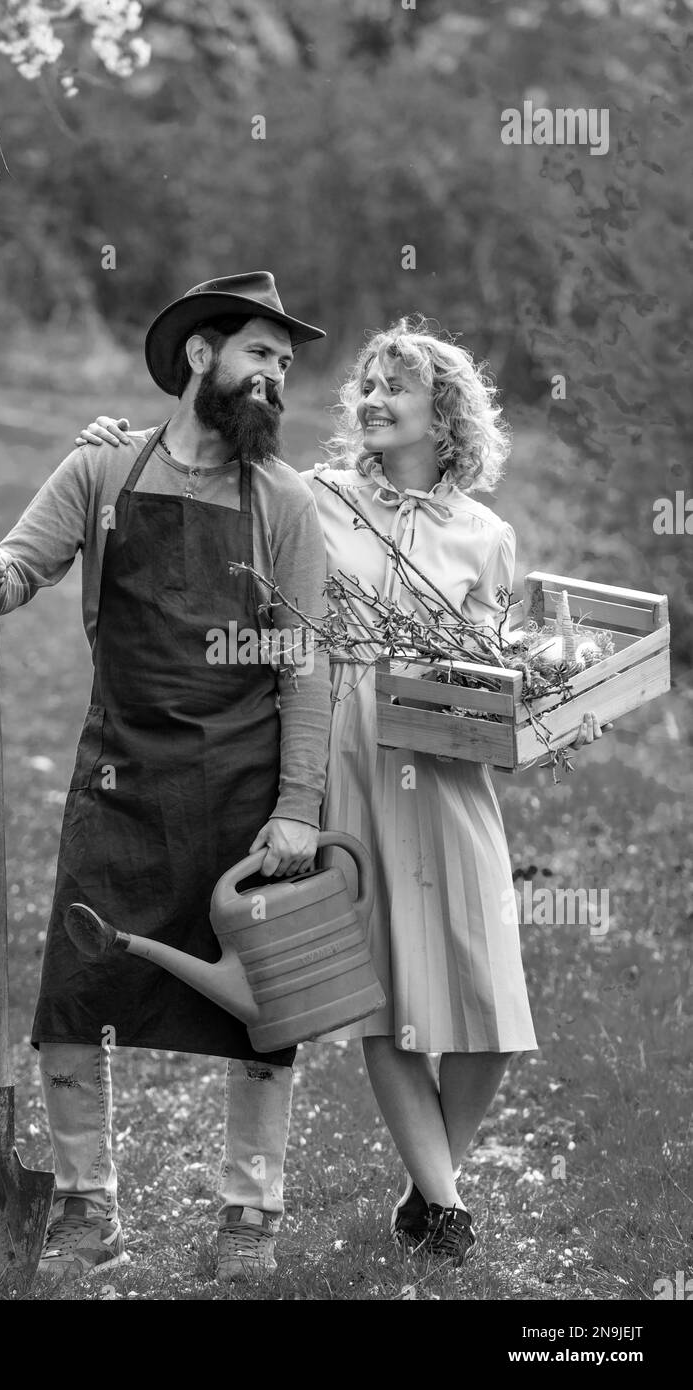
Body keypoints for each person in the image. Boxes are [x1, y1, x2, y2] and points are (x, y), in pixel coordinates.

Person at [76, 313, 608, 1269]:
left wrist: (546, 700)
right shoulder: (312, 498)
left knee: (488, 1005)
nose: (366, 400)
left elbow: (495, 659)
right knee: (386, 996)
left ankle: (424, 1181)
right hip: (344, 765)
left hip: (443, 771)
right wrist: (115, 449)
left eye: (390, 388)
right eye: (362, 386)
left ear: (441, 417)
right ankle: (443, 1205)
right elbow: (193, 466)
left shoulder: (486, 534)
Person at [0, 272, 332, 1286]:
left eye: (287, 366)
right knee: (76, 996)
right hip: (120, 775)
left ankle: (251, 1213)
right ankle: (85, 1205)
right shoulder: (105, 468)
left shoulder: (286, 503)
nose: (276, 379)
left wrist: (299, 808)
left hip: (245, 791)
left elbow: (307, 666)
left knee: (264, 1010)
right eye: (260, 354)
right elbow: (18, 569)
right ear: (201, 355)